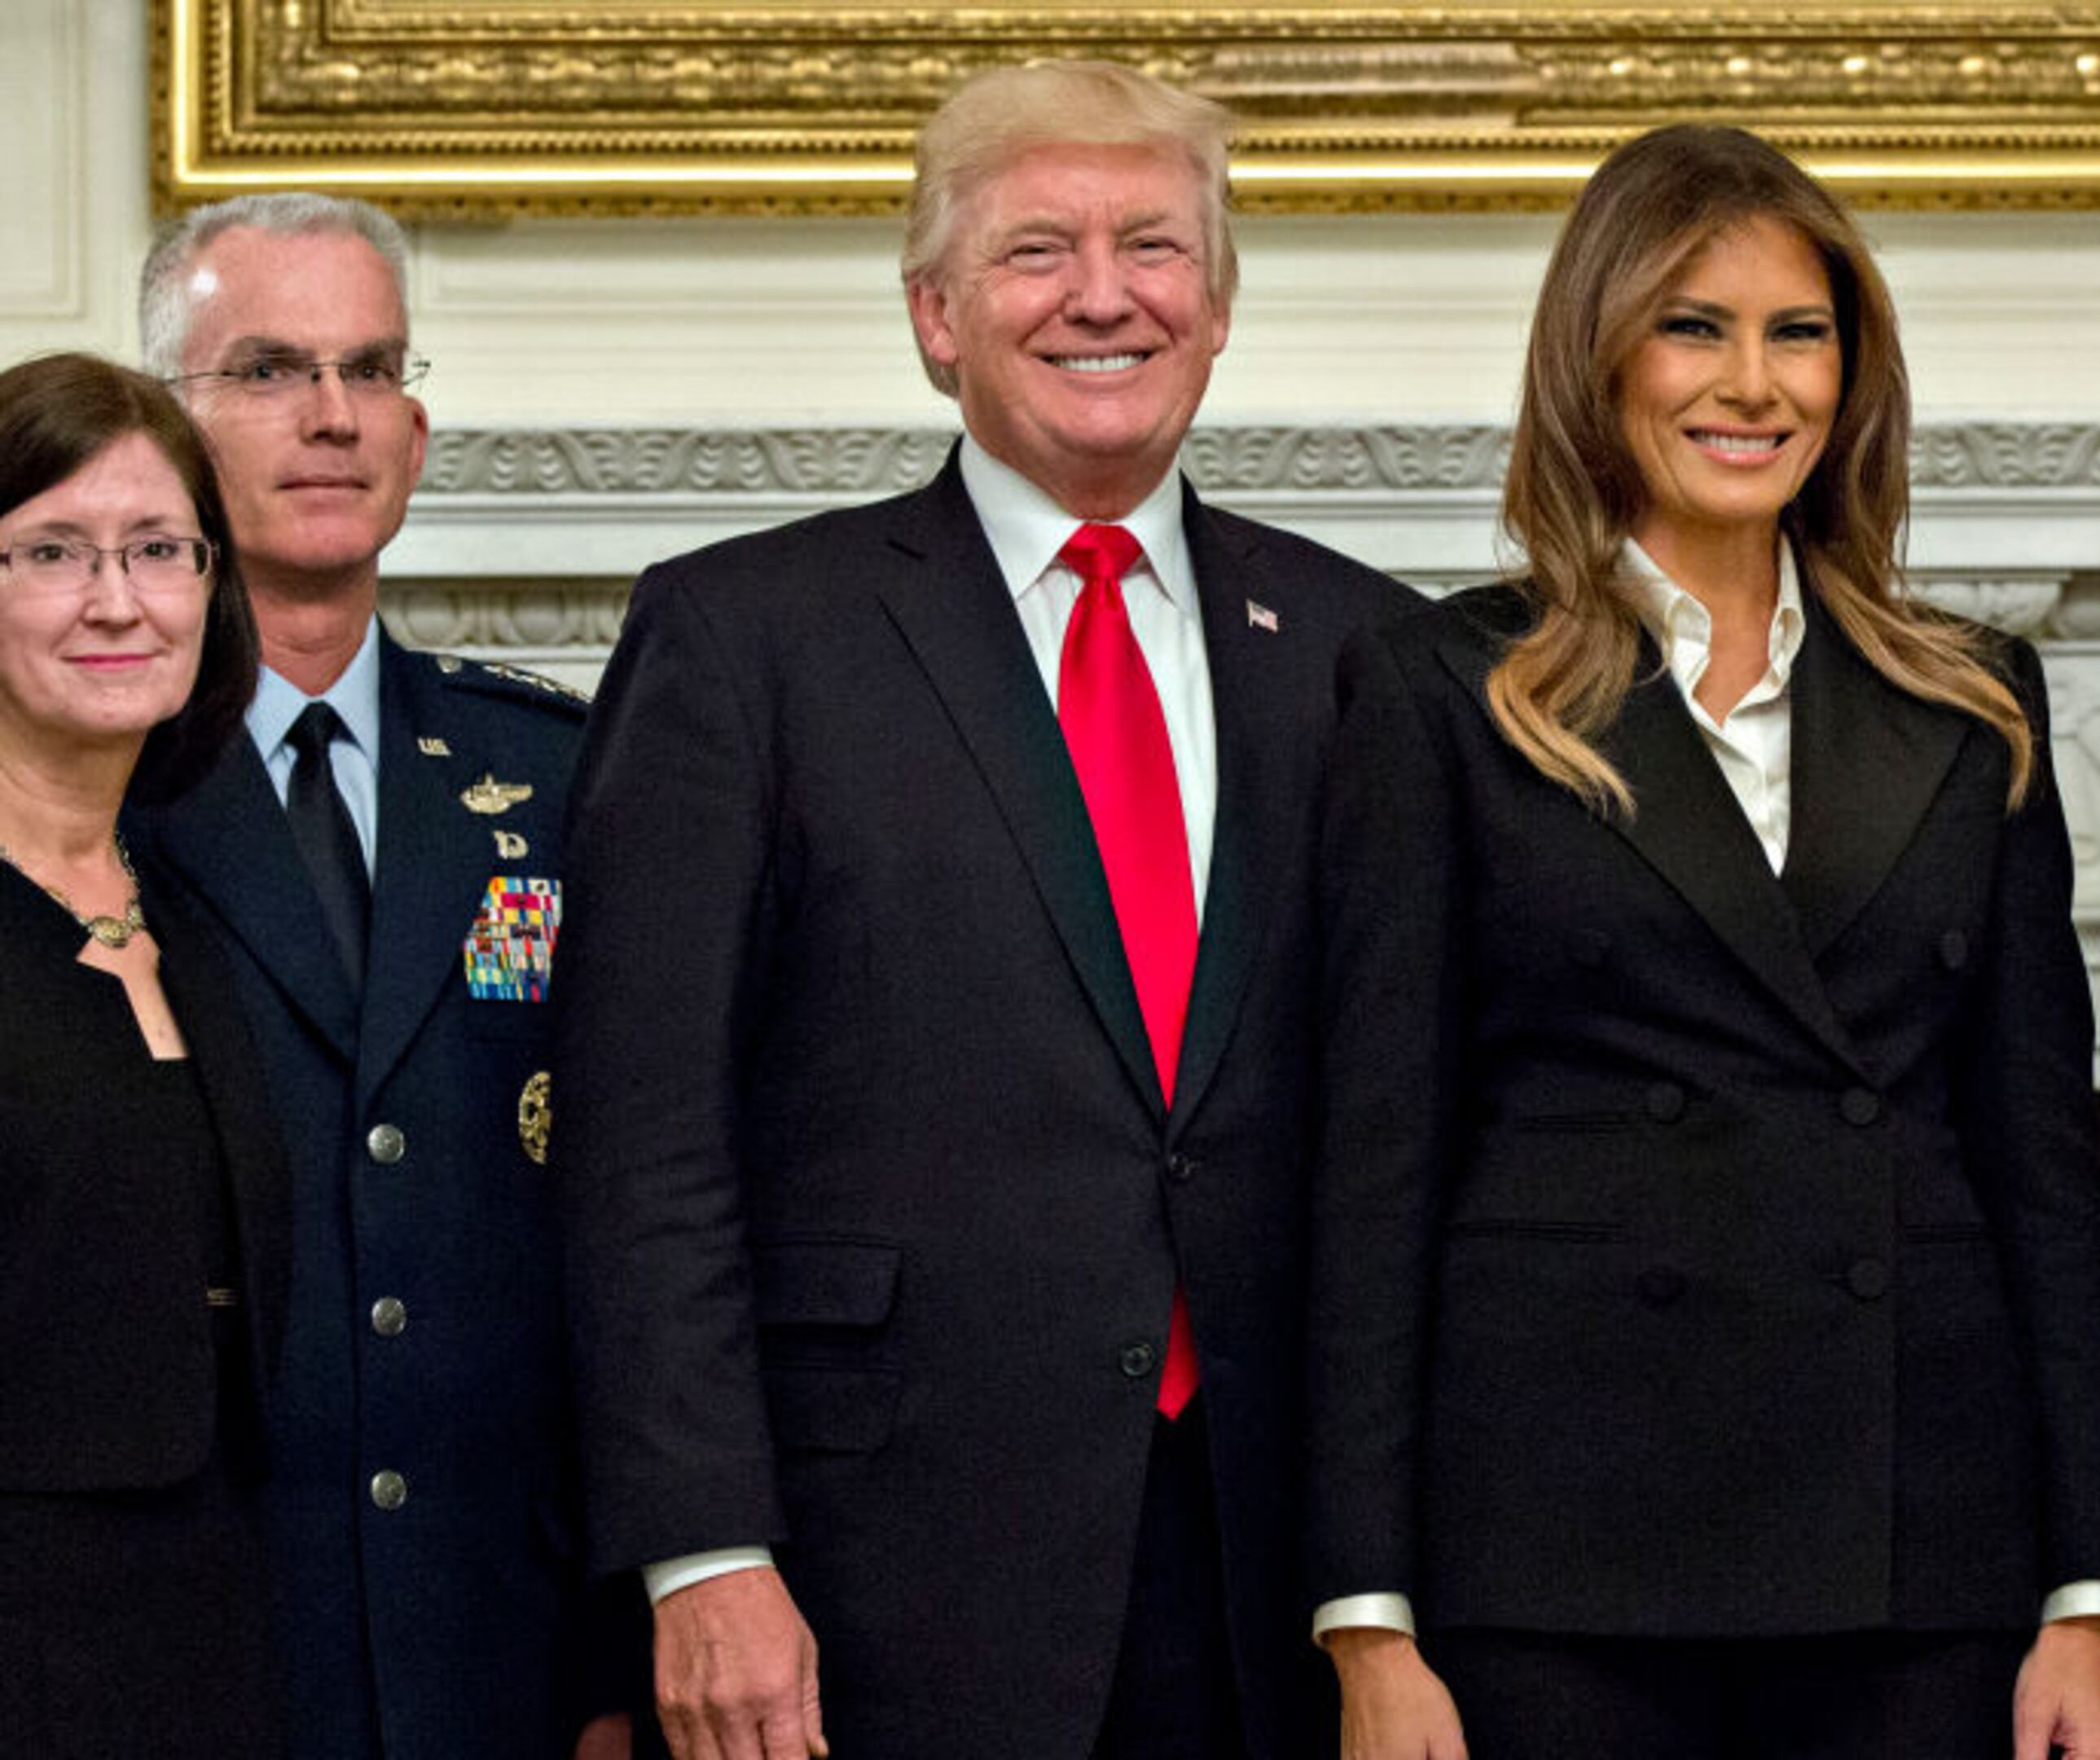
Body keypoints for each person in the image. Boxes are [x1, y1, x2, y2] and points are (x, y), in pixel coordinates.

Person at [551, 59, 1419, 1760]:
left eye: (1155, 246)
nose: (1105, 293)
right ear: (936, 315)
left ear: (1220, 305)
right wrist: (702, 1551)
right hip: (872, 1570)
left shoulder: (1361, 652)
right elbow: (640, 1140)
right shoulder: (745, 640)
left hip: (1262, 1570)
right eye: (1038, 250)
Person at [1306, 123, 2100, 1760]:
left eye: (1798, 332)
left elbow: (2041, 1164)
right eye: (1694, 325)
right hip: (1556, 1554)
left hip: (1920, 1542)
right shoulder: (1442, 695)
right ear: (1597, 357)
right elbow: (1373, 1173)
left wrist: (2086, 1595)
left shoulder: (1971, 701)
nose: (1752, 385)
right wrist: (1368, 1617)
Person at [128, 195, 632, 1759]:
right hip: (192, 1631)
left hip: (505, 1637)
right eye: (268, 369)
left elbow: (637, 1224)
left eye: (368, 369)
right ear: (164, 425)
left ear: (417, 430)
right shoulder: (90, 794)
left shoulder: (553, 774)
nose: (332, 416)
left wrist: (618, 1649)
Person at [0, 350, 283, 1755]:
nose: (118, 600)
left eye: (159, 549)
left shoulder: (190, 901)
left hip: (220, 1629)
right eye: (53, 551)